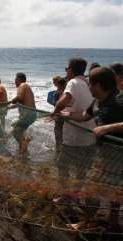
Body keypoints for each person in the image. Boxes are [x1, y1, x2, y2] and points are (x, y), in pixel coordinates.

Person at [60, 67, 122, 228]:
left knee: (90, 189)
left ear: (99, 85)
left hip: (118, 155)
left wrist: (107, 128)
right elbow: (83, 116)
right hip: (105, 154)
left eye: (90, 84)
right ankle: (113, 220)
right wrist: (65, 114)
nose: (88, 87)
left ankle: (85, 223)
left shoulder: (119, 99)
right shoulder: (95, 102)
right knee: (114, 189)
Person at [52, 58, 96, 185]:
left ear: (71, 70)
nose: (66, 71)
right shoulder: (89, 83)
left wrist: (55, 111)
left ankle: (64, 195)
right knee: (81, 169)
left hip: (74, 137)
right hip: (90, 135)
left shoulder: (73, 82)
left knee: (62, 166)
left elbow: (64, 101)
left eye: (67, 69)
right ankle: (77, 195)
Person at [11, 73, 36, 153]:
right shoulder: (26, 86)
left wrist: (13, 100)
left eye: (15, 79)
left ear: (19, 79)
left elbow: (19, 97)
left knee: (15, 131)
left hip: (28, 114)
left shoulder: (22, 85)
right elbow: (22, 102)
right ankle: (24, 145)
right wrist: (8, 107)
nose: (14, 81)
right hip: (31, 114)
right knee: (19, 130)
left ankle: (24, 149)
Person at [48, 75, 66, 156]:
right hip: (64, 116)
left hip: (60, 116)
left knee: (59, 135)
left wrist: (54, 113)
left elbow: (60, 105)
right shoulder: (65, 91)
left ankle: (59, 153)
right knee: (62, 136)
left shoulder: (61, 92)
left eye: (54, 82)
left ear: (59, 83)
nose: (53, 83)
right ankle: (60, 151)